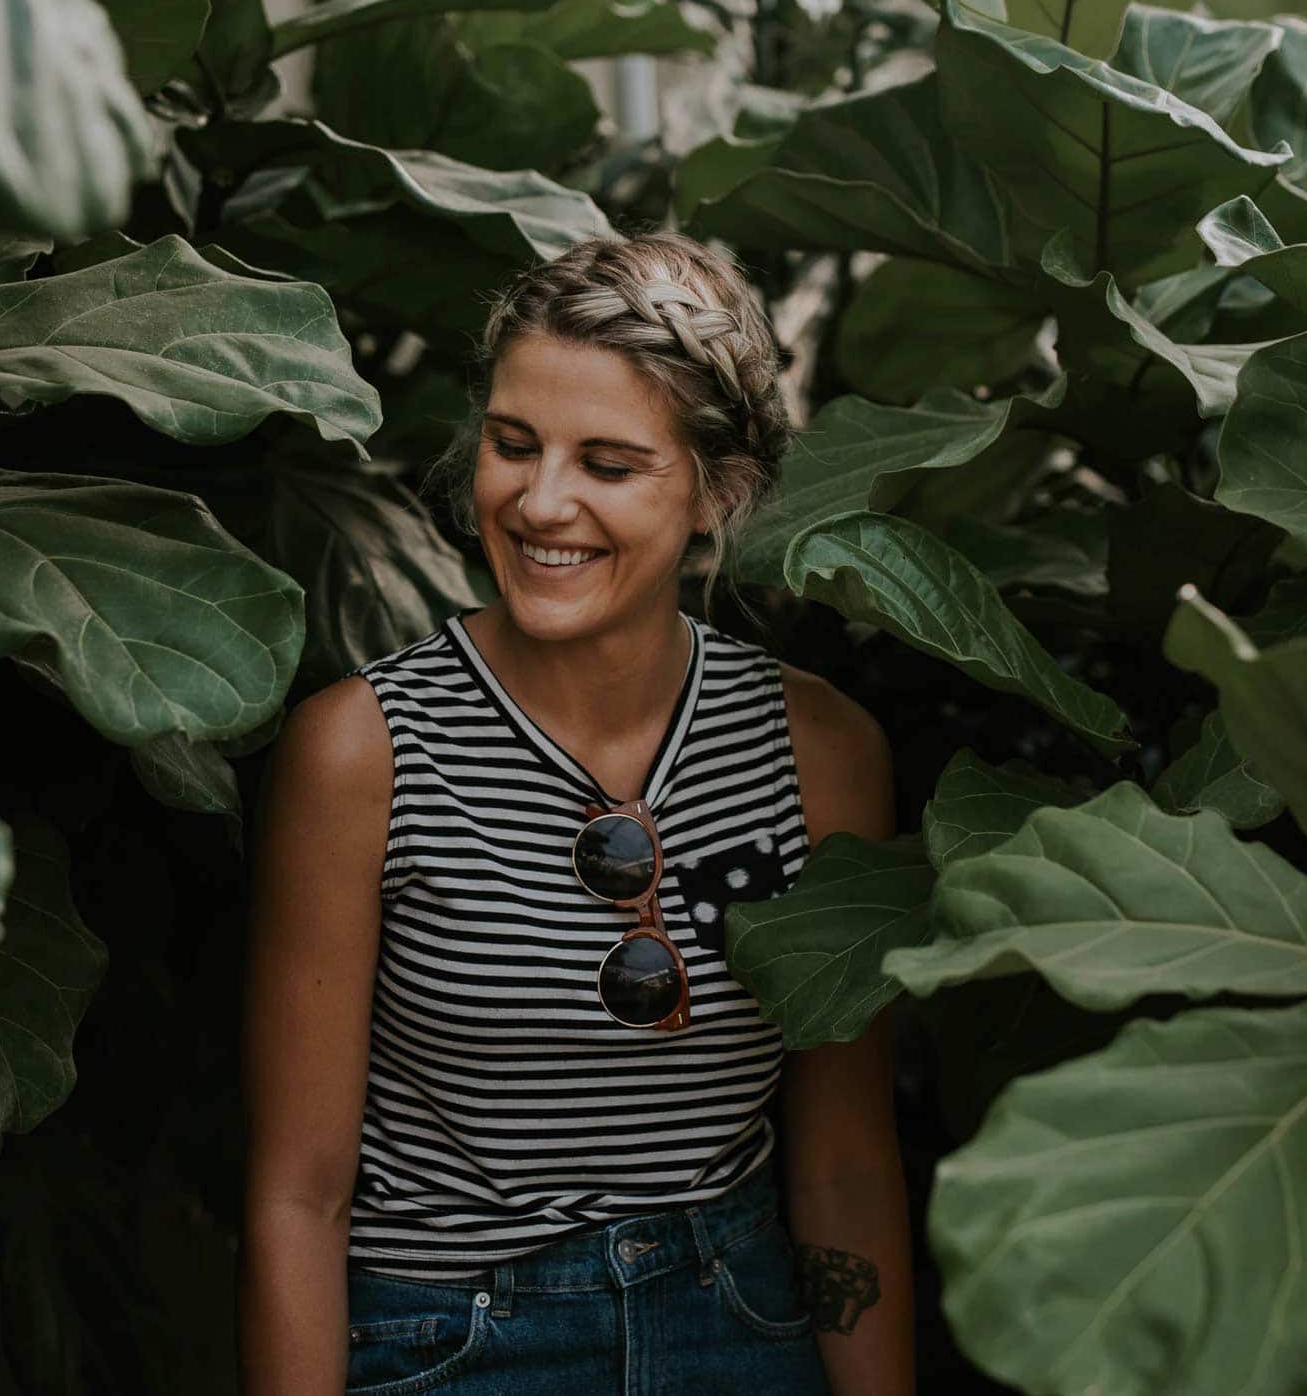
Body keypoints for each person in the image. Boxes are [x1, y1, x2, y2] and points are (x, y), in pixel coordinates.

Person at [240, 231, 912, 1396]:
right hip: (447, 1343)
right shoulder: (361, 752)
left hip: (743, 1327)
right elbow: (299, 1193)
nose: (539, 501)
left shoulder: (824, 753)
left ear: (719, 491)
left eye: (606, 463)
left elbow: (843, 1163)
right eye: (513, 445)